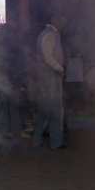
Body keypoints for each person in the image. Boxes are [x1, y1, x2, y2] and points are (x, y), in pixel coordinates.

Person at [32, 15, 67, 150]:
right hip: (50, 77)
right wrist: (59, 68)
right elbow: (48, 56)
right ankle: (55, 143)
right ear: (55, 20)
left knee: (45, 109)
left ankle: (38, 141)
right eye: (61, 19)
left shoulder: (46, 34)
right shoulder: (50, 35)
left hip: (46, 77)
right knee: (54, 110)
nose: (63, 22)